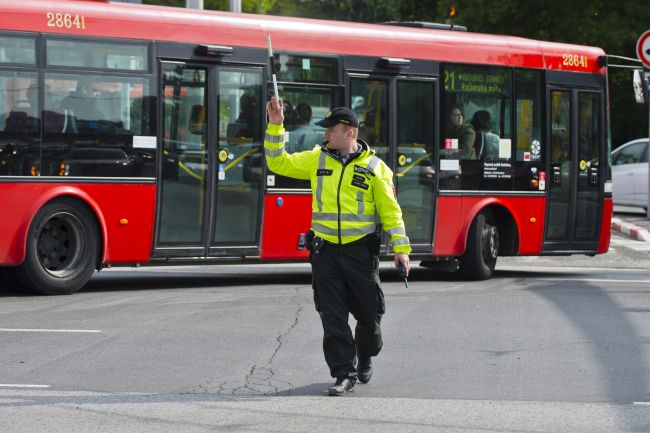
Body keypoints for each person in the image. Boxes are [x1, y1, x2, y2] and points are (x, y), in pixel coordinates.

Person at [265, 97, 411, 396]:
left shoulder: (375, 168)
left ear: (349, 132)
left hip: (360, 253)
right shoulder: (315, 159)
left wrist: (401, 249)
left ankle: (366, 353)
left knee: (369, 316)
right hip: (326, 252)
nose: (325, 134)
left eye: (331, 129)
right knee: (332, 317)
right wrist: (276, 124)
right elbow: (276, 161)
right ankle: (344, 373)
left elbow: (391, 211)